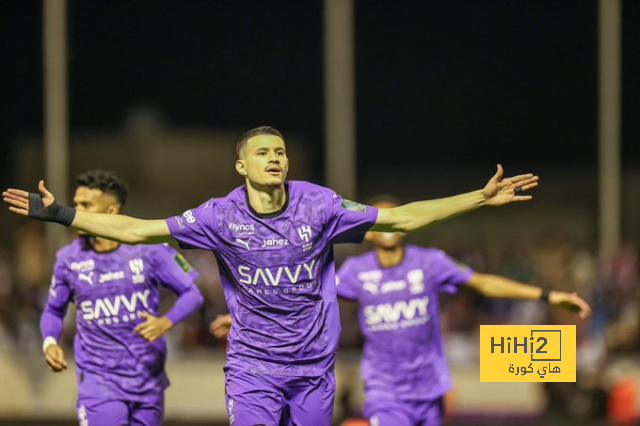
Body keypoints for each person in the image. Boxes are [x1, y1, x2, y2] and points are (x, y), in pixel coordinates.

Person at [4, 126, 539, 425]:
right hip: (253, 366)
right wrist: (60, 214)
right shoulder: (218, 216)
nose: (275, 158)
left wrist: (479, 198)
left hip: (313, 369)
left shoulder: (321, 206)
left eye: (280, 151)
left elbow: (400, 217)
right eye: (262, 152)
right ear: (242, 167)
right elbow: (142, 230)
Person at [209, 198, 592, 426]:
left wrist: (547, 295)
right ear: (371, 229)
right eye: (381, 216)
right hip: (384, 391)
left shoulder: (430, 264)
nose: (389, 222)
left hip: (430, 387)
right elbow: (307, 296)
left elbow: (483, 283)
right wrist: (251, 319)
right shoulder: (356, 273)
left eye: (395, 215)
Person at [38, 170, 203, 426]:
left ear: (112, 212)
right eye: (75, 203)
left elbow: (192, 293)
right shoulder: (68, 259)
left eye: (86, 205)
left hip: (147, 378)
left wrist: (166, 322)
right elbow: (53, 310)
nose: (77, 211)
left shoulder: (150, 249)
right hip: (98, 382)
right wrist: (50, 342)